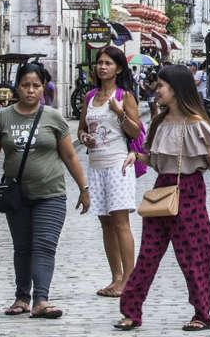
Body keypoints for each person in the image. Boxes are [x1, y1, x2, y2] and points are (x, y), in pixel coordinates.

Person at [114, 65, 210, 332]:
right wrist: (137, 156)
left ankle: (202, 314)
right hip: (162, 190)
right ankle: (131, 311)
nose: (156, 90)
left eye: (161, 86)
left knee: (194, 256)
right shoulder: (159, 122)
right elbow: (157, 161)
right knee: (148, 255)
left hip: (190, 191)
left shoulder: (196, 123)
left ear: (177, 89)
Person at [0, 62, 90, 319]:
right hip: (17, 195)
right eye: (25, 85)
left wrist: (83, 188)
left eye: (36, 85)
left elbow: (70, 156)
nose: (31, 90)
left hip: (51, 193)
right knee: (22, 247)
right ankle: (22, 297)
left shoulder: (53, 117)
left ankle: (41, 299)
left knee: (44, 245)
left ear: (43, 87)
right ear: (17, 87)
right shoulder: (3, 117)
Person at [77, 45, 140, 298]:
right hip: (96, 165)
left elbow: (136, 131)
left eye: (108, 63)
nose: (102, 67)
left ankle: (129, 279)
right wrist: (84, 138)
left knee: (120, 222)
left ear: (119, 69)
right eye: (100, 63)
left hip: (118, 165)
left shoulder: (125, 96)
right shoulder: (90, 96)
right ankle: (116, 277)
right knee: (105, 222)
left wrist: (120, 113)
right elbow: (81, 129)